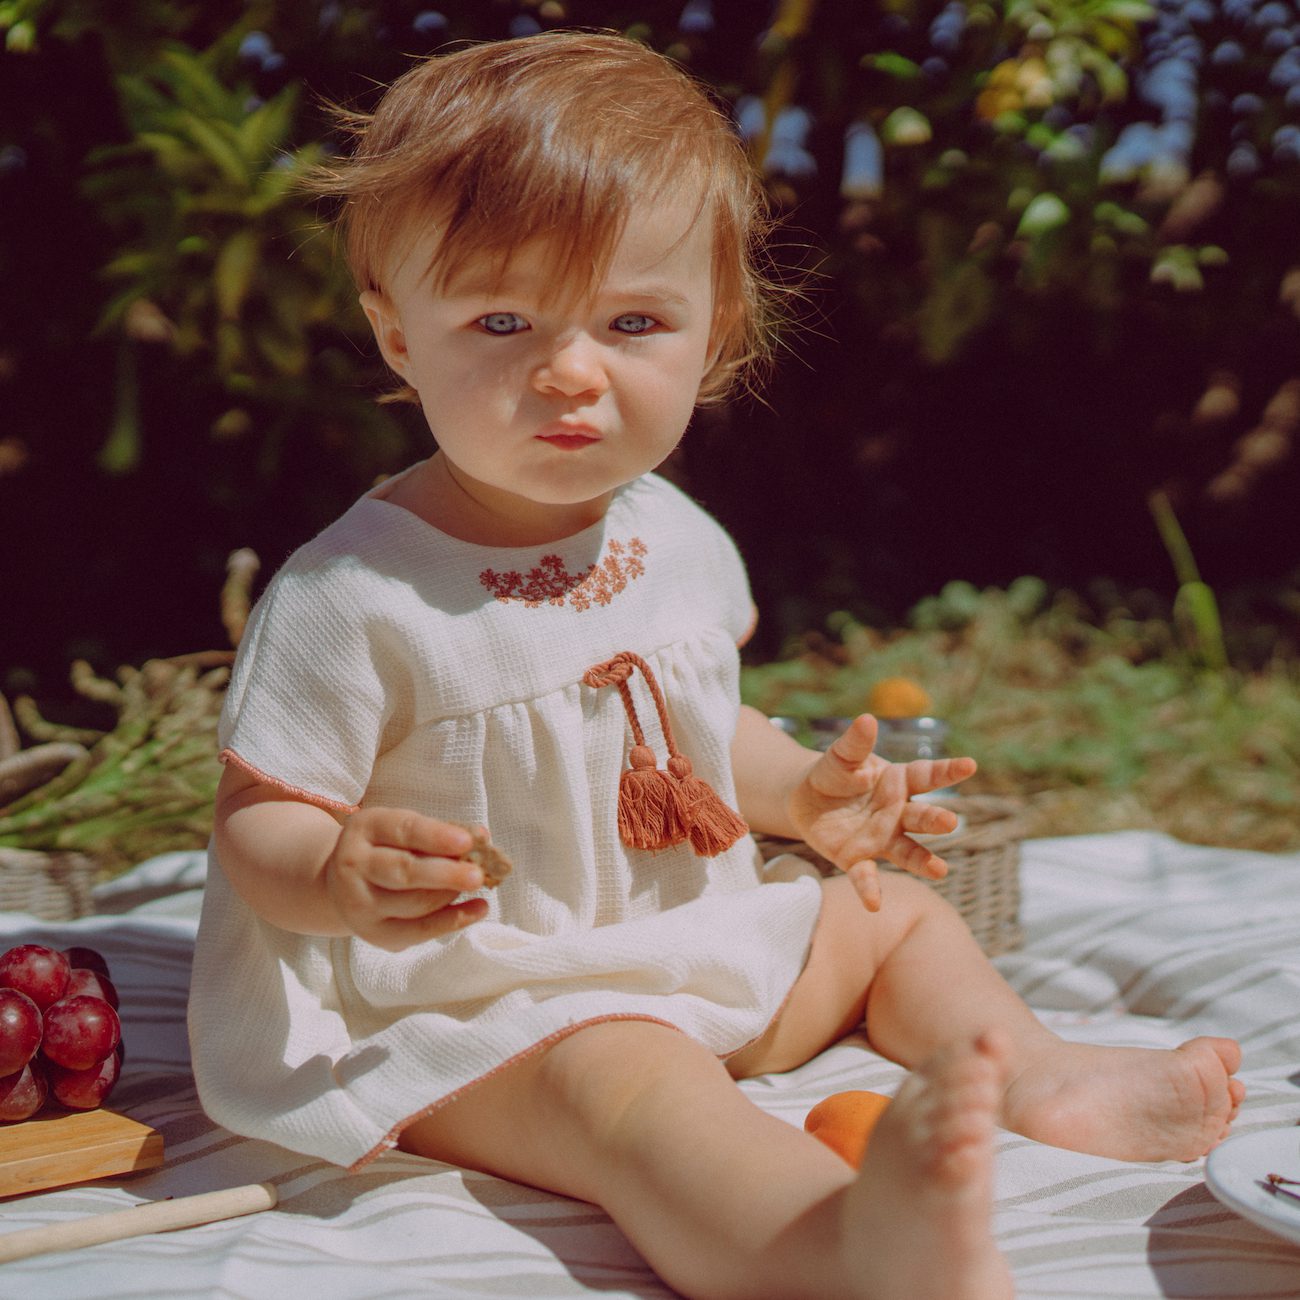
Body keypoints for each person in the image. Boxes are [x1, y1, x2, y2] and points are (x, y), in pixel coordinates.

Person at [188, 30, 1244, 1300]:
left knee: (892, 916)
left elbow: (694, 733)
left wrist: (802, 792)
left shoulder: (671, 534)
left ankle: (1037, 1068)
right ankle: (837, 1247)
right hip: (486, 1003)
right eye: (501, 318)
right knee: (638, 1090)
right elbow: (257, 827)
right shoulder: (352, 597)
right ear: (397, 334)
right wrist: (338, 872)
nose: (569, 369)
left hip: (690, 942)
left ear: (714, 331)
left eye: (632, 320)